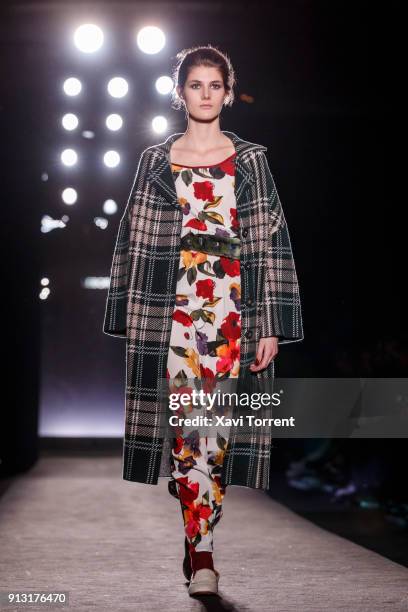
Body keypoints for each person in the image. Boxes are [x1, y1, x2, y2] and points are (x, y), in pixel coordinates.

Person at [103, 43, 304, 598]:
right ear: (180, 92)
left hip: (231, 306)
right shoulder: (155, 160)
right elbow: (133, 235)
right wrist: (127, 313)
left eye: (216, 85)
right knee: (188, 431)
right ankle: (204, 549)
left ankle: (199, 543)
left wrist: (271, 324)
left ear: (229, 93)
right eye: (196, 85)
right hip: (173, 306)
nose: (206, 94)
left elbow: (272, 242)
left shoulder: (251, 161)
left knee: (216, 434)